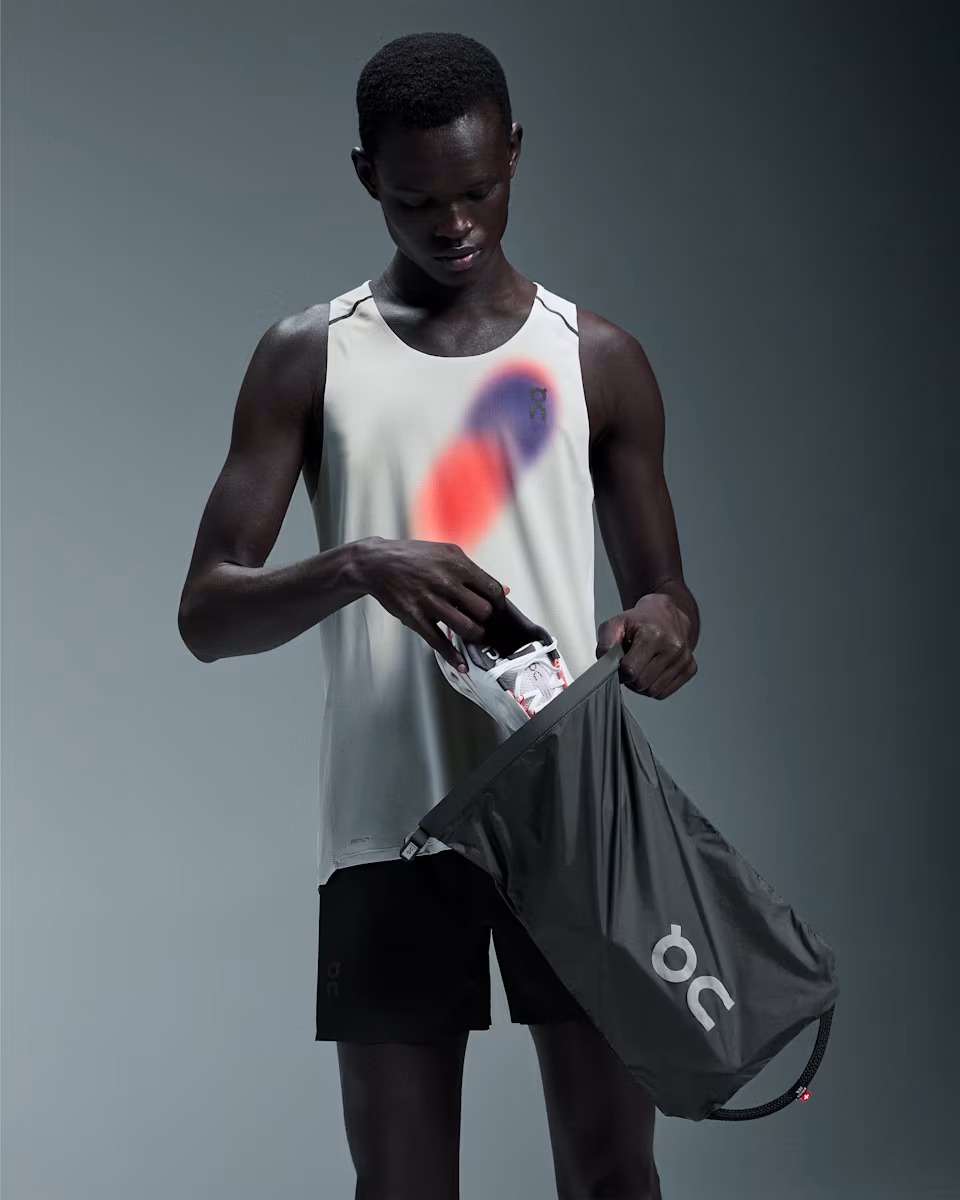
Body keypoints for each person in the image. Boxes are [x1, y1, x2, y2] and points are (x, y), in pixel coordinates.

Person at [178, 30, 700, 1200]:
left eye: (476, 191)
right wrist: (359, 562)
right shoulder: (308, 358)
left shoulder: (598, 360)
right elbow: (207, 613)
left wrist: (664, 627)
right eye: (416, 200)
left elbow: (666, 592)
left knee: (614, 1175)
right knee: (402, 1186)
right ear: (366, 174)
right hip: (390, 828)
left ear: (513, 152)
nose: (454, 223)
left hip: (574, 820)